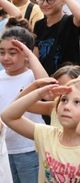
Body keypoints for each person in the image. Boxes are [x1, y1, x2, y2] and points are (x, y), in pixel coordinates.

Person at [1, 78, 80, 182]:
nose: (67, 107)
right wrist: (40, 93)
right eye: (64, 100)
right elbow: (7, 116)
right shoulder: (46, 135)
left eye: (77, 102)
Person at [0, 26, 48, 183]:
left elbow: (46, 89)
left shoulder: (31, 77)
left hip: (29, 148)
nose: (6, 57)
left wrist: (30, 54)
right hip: (4, 149)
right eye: (2, 52)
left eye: (12, 53)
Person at [34, 0, 80, 75]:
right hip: (46, 79)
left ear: (63, 0)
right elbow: (35, 57)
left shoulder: (70, 22)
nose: (45, 3)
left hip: (67, 79)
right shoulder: (39, 25)